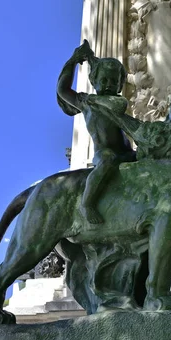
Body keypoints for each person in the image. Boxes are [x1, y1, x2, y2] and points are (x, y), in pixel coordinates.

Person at [56, 40, 136, 224]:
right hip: (104, 155)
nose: (108, 85)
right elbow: (63, 90)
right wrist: (73, 61)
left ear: (120, 85)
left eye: (114, 81)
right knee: (108, 159)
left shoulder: (115, 103)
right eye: (104, 80)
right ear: (94, 81)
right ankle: (87, 203)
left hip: (126, 154)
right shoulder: (87, 103)